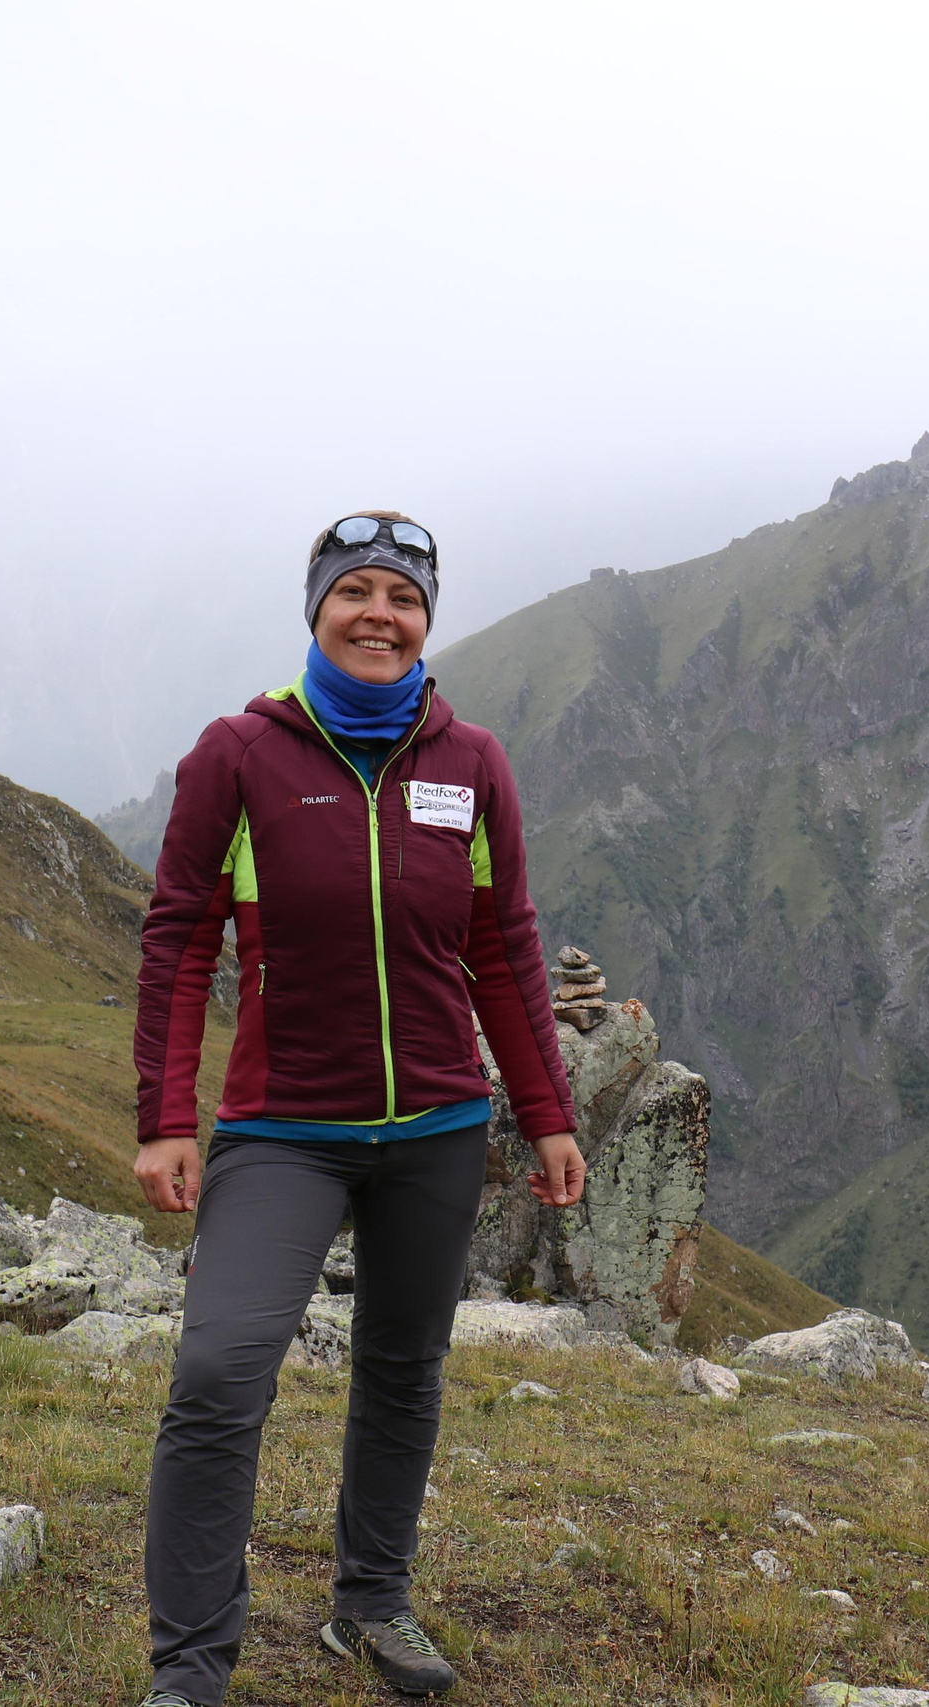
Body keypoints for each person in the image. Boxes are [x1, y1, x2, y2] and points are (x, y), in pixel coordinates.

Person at [130, 510, 585, 1705]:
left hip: (436, 1126)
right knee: (222, 1370)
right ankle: (189, 1667)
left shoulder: (471, 762)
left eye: (403, 597)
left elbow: (503, 947)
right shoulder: (239, 753)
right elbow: (179, 938)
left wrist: (543, 1112)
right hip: (285, 1128)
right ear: (317, 608)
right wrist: (164, 1115)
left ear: (426, 621)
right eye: (357, 592)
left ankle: (370, 1605)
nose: (379, 614)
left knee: (403, 1368)